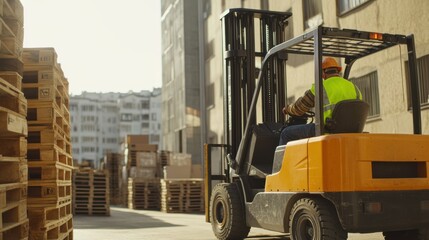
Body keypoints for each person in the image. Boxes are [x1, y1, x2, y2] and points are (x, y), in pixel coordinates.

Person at [278, 57, 362, 145]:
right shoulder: (354, 87)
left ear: (322, 73)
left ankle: (281, 159)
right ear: (337, 71)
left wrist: (287, 109)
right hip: (350, 134)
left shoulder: (320, 87)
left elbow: (299, 108)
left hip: (326, 131)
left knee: (286, 133)